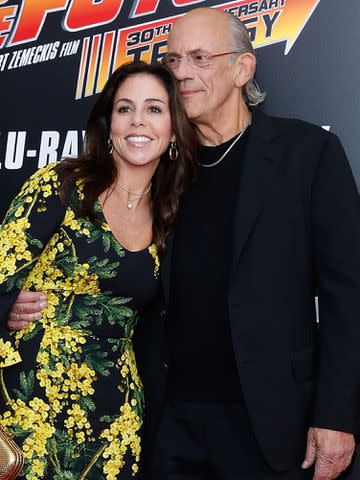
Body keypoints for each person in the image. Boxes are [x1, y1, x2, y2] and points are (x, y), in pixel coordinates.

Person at [7, 7, 360, 480]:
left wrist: (336, 415)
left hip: (271, 424)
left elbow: (348, 294)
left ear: (243, 68)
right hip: (163, 423)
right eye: (173, 61)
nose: (183, 73)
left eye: (200, 57)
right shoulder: (162, 169)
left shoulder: (307, 154)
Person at [0, 60, 198, 479]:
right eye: (125, 109)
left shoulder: (173, 216)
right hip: (26, 404)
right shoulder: (62, 184)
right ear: (109, 124)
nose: (137, 121)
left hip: (114, 420)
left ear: (175, 129)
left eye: (154, 109)